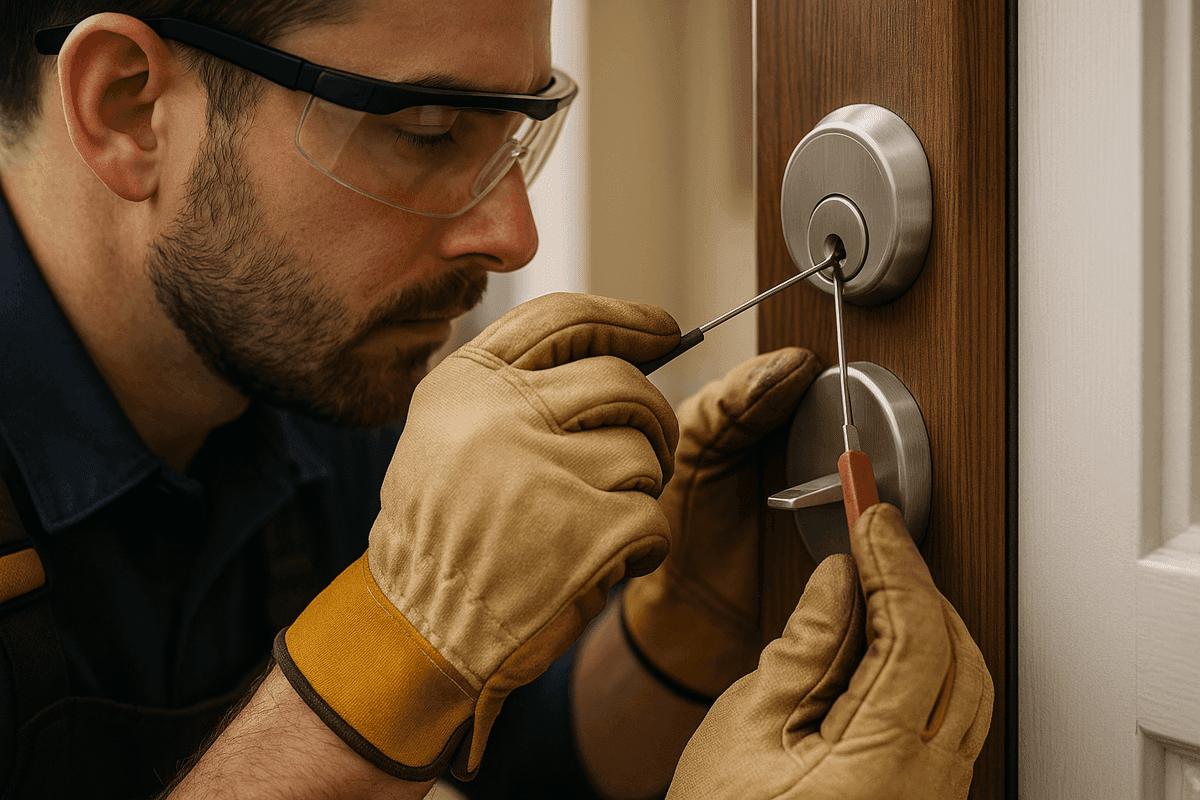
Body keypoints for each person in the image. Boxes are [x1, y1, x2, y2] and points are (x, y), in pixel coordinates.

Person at [0, 0, 993, 798]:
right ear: (128, 106)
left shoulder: (318, 383)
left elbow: (497, 773)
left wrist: (680, 632)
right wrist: (387, 646)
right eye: (426, 132)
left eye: (517, 134)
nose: (514, 237)